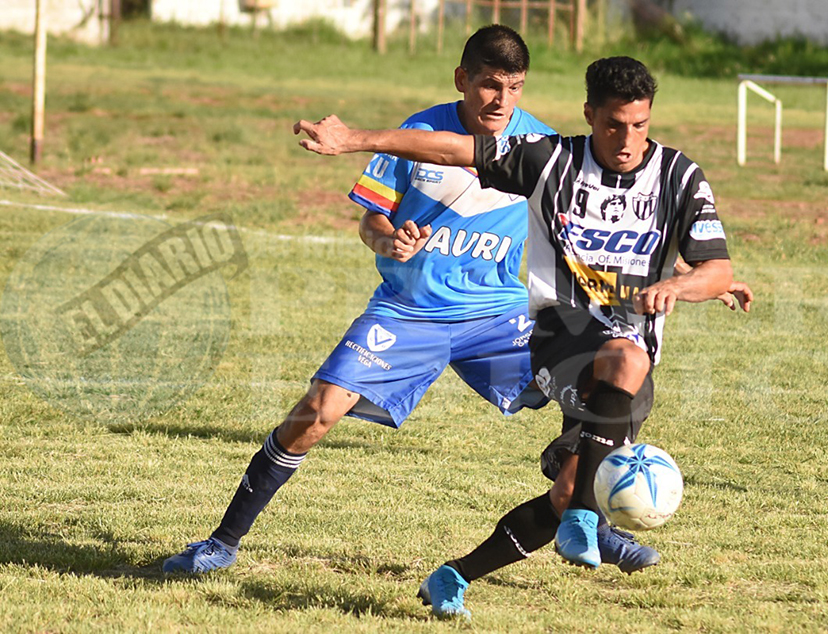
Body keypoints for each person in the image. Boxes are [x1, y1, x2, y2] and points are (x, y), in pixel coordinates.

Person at [162, 27, 667, 576]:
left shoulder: (541, 148)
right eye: (489, 85)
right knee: (315, 412)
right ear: (462, 80)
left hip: (498, 314)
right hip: (409, 312)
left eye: (515, 87)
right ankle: (223, 542)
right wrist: (388, 239)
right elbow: (370, 218)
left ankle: (591, 513)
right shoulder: (419, 133)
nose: (501, 101)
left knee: (612, 375)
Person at [293, 56, 744, 618]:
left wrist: (688, 285)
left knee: (566, 490)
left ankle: (455, 574)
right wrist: (353, 138)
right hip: (564, 331)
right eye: (612, 125)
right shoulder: (551, 158)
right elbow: (451, 150)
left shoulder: (679, 176)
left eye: (639, 125)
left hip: (630, 351)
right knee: (623, 360)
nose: (626, 139)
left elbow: (716, 267)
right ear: (589, 115)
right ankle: (587, 516)